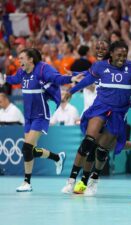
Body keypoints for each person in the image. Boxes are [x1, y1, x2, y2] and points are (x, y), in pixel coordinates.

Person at [61, 41, 131, 196]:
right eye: (98, 48)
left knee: (102, 149)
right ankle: (73, 181)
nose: (100, 50)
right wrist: (71, 88)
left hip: (119, 112)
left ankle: (91, 181)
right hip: (98, 108)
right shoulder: (97, 67)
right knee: (88, 143)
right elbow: (85, 78)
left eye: (103, 48)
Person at [1, 48, 82, 192]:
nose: (19, 61)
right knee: (30, 150)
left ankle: (27, 182)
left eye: (21, 58)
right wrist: (5, 78)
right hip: (28, 115)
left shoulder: (43, 69)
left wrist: (71, 79)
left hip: (41, 114)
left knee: (26, 148)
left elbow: (57, 78)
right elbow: (15, 79)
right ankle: (56, 158)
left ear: (30, 59)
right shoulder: (22, 72)